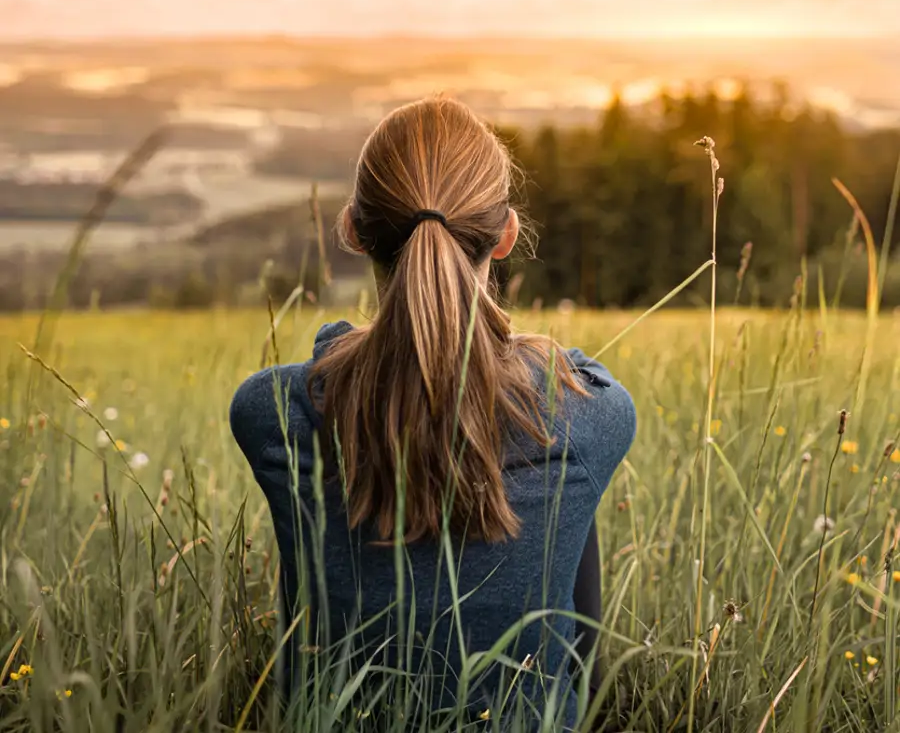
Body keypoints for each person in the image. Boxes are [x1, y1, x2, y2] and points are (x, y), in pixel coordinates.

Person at [229, 97, 636, 729]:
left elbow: (337, 378)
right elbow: (574, 378)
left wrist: (341, 348)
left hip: (332, 718)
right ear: (506, 234)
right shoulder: (593, 415)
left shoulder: (273, 413)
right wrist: (525, 356)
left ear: (354, 230)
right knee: (570, 490)